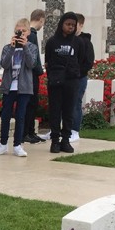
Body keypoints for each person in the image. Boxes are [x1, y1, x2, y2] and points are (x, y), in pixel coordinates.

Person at [0, 19, 39, 158]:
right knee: (5, 116)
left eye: (23, 31)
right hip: (9, 86)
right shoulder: (7, 47)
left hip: (24, 87)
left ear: (28, 32)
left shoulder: (32, 47)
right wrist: (12, 48)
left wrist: (24, 47)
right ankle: (3, 144)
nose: (21, 34)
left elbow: (31, 64)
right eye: (18, 31)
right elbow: (4, 65)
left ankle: (18, 145)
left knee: (20, 116)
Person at [45, 11, 82, 154]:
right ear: (62, 24)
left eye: (73, 25)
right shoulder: (52, 42)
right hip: (56, 81)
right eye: (68, 24)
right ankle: (55, 140)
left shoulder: (78, 42)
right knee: (55, 111)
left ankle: (65, 140)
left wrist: (75, 74)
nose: (70, 27)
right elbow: (48, 62)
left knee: (68, 111)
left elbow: (83, 61)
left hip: (72, 82)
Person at [22, 9, 46, 144]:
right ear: (41, 20)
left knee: (33, 104)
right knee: (30, 104)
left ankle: (31, 132)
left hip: (32, 74)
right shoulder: (31, 34)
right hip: (31, 75)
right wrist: (39, 71)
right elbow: (33, 56)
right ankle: (27, 132)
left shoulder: (32, 33)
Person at [72, 13, 95, 142]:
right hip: (67, 78)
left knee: (76, 103)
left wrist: (77, 73)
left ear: (81, 25)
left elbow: (88, 63)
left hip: (79, 78)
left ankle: (75, 131)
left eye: (76, 25)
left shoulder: (86, 42)